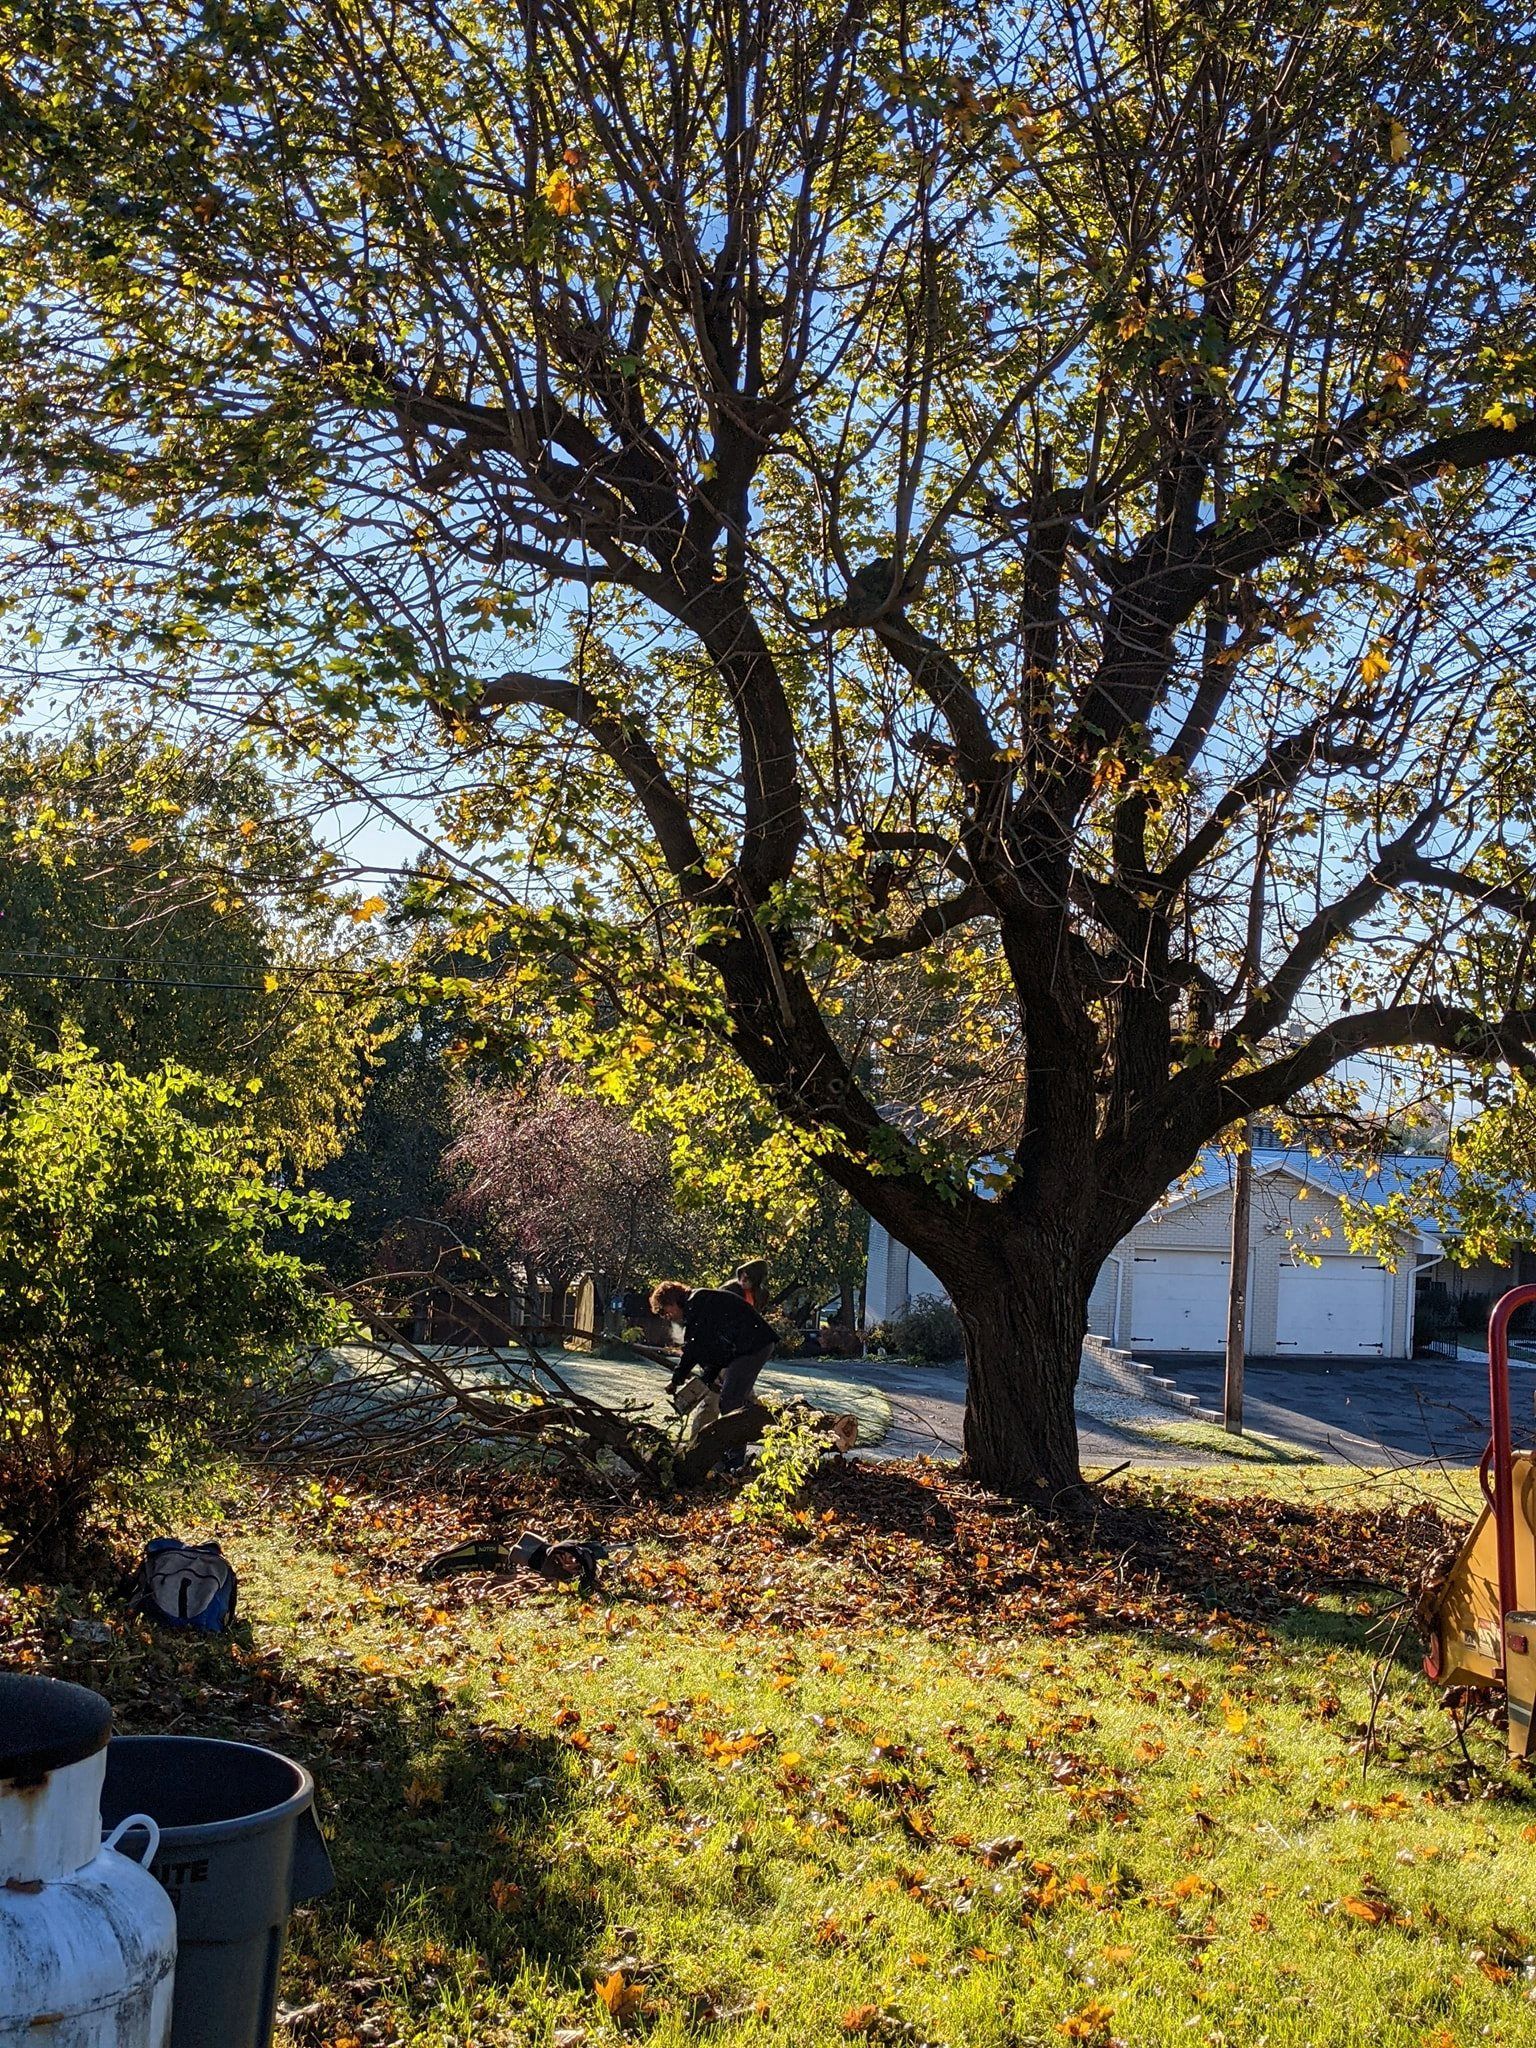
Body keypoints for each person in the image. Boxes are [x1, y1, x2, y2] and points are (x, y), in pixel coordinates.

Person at [648, 1278, 776, 1441]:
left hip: (753, 1345)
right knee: (733, 1399)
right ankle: (753, 1431)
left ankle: (734, 1456)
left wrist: (676, 1379)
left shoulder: (697, 1303)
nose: (667, 1317)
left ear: (672, 1301)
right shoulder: (698, 1303)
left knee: (730, 1402)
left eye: (664, 1311)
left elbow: (694, 1348)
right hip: (745, 1346)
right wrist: (707, 1378)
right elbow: (713, 1351)